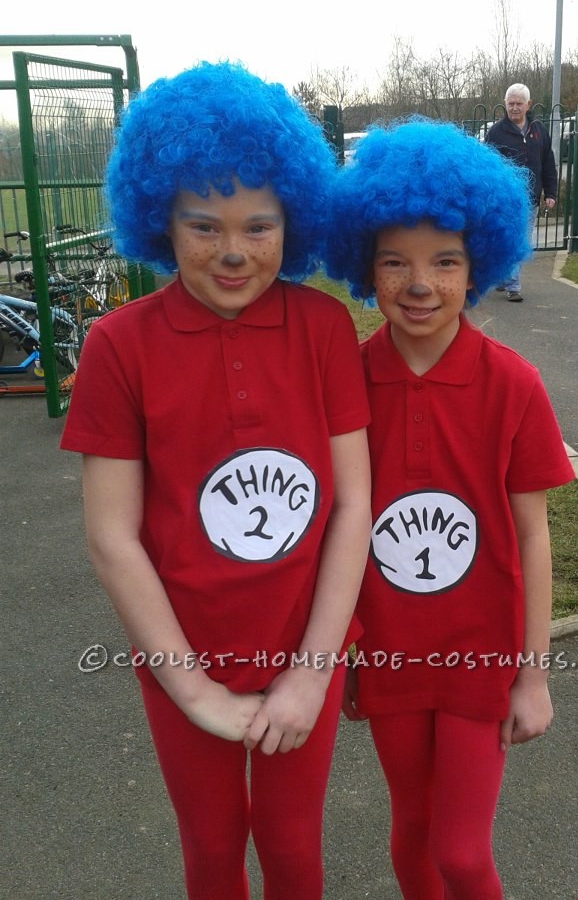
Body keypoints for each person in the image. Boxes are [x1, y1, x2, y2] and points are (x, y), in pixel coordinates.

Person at [60, 62, 372, 900]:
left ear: (292, 220)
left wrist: (311, 670)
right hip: (180, 654)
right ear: (159, 218)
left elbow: (352, 507)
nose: (233, 251)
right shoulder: (118, 347)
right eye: (204, 225)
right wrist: (192, 688)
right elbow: (112, 537)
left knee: (294, 849)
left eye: (258, 226)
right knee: (209, 849)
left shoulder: (324, 329)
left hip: (306, 644)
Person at [327, 119, 575, 900]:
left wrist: (533, 676)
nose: (420, 283)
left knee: (463, 854)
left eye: (445, 261)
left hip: (481, 659)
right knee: (411, 833)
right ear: (367, 269)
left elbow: (533, 538)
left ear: (478, 269)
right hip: (392, 654)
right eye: (394, 262)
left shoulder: (514, 384)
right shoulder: (345, 381)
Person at [485, 83, 557, 301]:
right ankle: (508, 281)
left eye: (518, 103)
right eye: (510, 104)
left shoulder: (539, 130)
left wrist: (551, 193)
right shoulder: (496, 132)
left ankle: (509, 282)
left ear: (528, 105)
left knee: (521, 239)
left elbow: (548, 163)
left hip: (530, 198)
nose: (514, 108)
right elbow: (488, 166)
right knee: (506, 239)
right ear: (505, 105)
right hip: (505, 198)